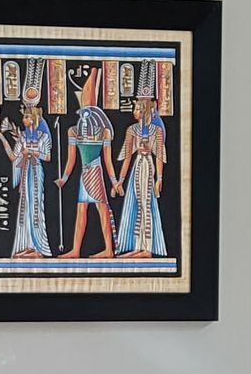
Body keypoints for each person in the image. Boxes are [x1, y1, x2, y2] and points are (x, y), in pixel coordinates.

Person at [57, 64, 117, 259]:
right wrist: (64, 178)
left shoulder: (103, 132)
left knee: (101, 208)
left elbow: (107, 160)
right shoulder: (73, 131)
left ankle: (108, 249)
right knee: (81, 209)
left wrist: (115, 182)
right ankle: (76, 249)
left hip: (95, 172)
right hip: (85, 173)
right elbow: (71, 159)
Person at [0, 80, 53, 259]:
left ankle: (39, 248)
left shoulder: (42, 136)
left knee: (36, 206)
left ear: (34, 119)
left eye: (27, 117)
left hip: (36, 173)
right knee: (24, 209)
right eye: (24, 117)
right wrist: (4, 139)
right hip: (25, 172)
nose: (24, 120)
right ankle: (27, 245)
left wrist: (31, 151)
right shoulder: (22, 136)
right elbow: (13, 158)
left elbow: (48, 157)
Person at [114, 86, 168, 258]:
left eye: (138, 109)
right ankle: (138, 246)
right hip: (137, 166)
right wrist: (120, 180)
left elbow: (159, 155)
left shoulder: (156, 131)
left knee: (146, 205)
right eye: (135, 108)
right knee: (138, 205)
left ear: (146, 110)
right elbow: (127, 157)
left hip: (148, 166)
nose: (134, 112)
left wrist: (159, 179)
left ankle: (147, 248)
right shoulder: (132, 130)